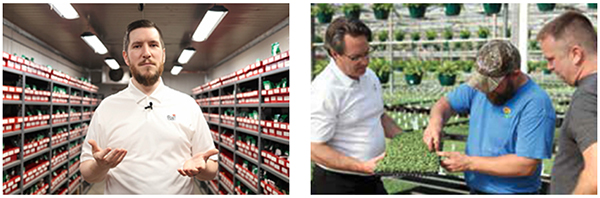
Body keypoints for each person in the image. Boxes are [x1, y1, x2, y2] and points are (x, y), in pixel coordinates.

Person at [80, 19, 219, 194]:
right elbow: (87, 173)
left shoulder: (187, 105)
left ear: (163, 54)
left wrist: (202, 168)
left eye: (153, 45)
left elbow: (212, 170)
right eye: (137, 46)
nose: (146, 53)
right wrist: (100, 166)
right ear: (126, 57)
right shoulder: (107, 108)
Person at [423, 40, 556, 194]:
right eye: (482, 82)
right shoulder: (479, 87)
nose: (485, 90)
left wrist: (469, 163)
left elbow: (525, 164)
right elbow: (445, 104)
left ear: (515, 74)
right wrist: (435, 124)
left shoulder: (536, 103)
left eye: (492, 84)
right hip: (476, 190)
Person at [310, 17, 402, 194]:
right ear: (334, 54)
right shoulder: (324, 90)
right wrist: (362, 166)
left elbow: (379, 116)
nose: (365, 62)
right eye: (356, 57)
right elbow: (313, 148)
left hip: (371, 179)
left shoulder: (370, 76)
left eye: (367, 53)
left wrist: (407, 141)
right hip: (338, 184)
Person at [537, 11, 597, 194]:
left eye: (551, 59)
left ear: (576, 54)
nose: (549, 67)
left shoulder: (587, 96)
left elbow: (596, 175)